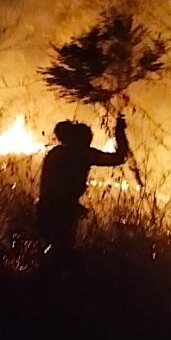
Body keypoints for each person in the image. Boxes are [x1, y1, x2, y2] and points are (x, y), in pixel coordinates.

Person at [37, 114, 129, 270]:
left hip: (48, 209)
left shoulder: (57, 154)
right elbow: (118, 158)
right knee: (63, 251)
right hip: (57, 210)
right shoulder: (81, 154)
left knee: (57, 251)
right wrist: (119, 132)